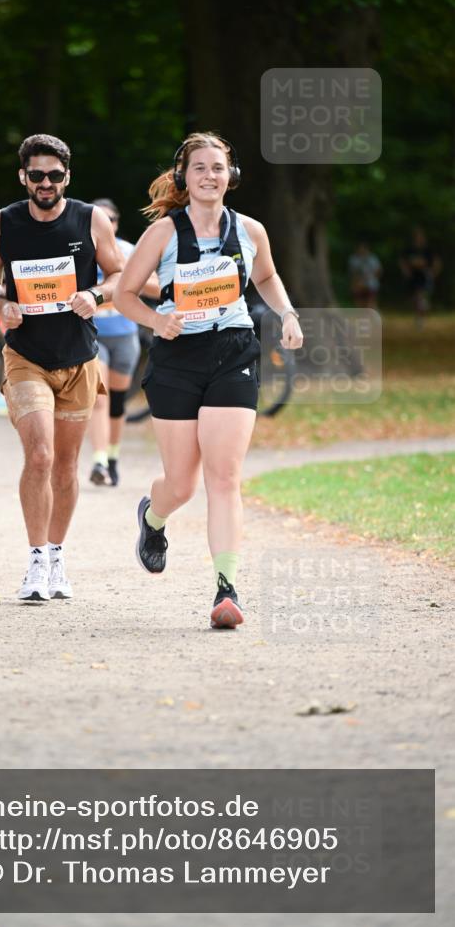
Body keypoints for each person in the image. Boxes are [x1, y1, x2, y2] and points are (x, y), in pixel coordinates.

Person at [114, 132, 303, 630]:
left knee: (224, 476)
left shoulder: (251, 231)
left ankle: (227, 588)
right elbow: (125, 295)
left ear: (231, 175)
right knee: (182, 484)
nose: (208, 175)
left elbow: (266, 277)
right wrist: (158, 322)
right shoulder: (162, 234)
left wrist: (286, 313)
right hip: (177, 357)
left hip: (233, 352)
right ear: (184, 177)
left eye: (217, 167)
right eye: (198, 167)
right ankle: (153, 519)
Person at [0, 133, 123, 602]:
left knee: (65, 465)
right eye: (36, 175)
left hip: (79, 359)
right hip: (26, 357)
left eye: (54, 175)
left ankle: (57, 556)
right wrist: (2, 305)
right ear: (23, 176)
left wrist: (94, 295)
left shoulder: (90, 219)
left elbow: (121, 277)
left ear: (67, 177)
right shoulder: (3, 223)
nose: (45, 183)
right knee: (39, 456)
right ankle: (35, 559)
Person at [88, 198, 158, 486]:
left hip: (125, 336)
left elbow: (156, 287)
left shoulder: (128, 251)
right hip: (93, 336)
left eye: (112, 219)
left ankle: (113, 458)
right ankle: (99, 461)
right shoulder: (80, 252)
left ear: (116, 224)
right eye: (100, 219)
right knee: (99, 399)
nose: (107, 224)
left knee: (117, 402)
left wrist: (126, 281)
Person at [399, 226, 442, 329]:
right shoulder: (409, 249)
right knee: (415, 298)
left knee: (420, 295)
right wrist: (405, 271)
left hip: (424, 275)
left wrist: (433, 273)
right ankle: (422, 309)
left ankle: (420, 319)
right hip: (413, 275)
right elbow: (402, 261)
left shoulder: (428, 249)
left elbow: (436, 262)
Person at [347, 240, 381, 310]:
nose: (361, 250)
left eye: (363, 248)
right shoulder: (354, 259)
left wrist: (369, 278)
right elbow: (353, 273)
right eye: (360, 248)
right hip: (358, 283)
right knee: (359, 302)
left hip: (371, 283)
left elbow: (378, 271)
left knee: (370, 302)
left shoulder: (373, 259)